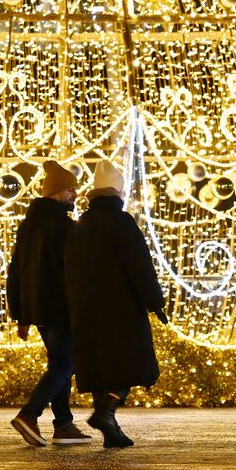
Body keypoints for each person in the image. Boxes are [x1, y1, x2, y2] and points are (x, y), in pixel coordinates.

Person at [64, 159, 168, 449]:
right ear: (119, 194)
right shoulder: (122, 223)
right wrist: (155, 302)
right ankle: (107, 410)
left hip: (85, 309)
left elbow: (68, 269)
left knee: (99, 366)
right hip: (121, 310)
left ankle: (110, 428)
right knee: (131, 363)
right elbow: (140, 266)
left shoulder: (80, 225)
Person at [6, 160, 92, 447]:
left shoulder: (29, 226)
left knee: (60, 364)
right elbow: (73, 273)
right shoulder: (64, 227)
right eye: (71, 189)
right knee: (64, 365)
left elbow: (16, 270)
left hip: (38, 308)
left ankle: (64, 424)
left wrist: (21, 314)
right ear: (56, 191)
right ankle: (29, 415)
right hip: (60, 308)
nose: (75, 195)